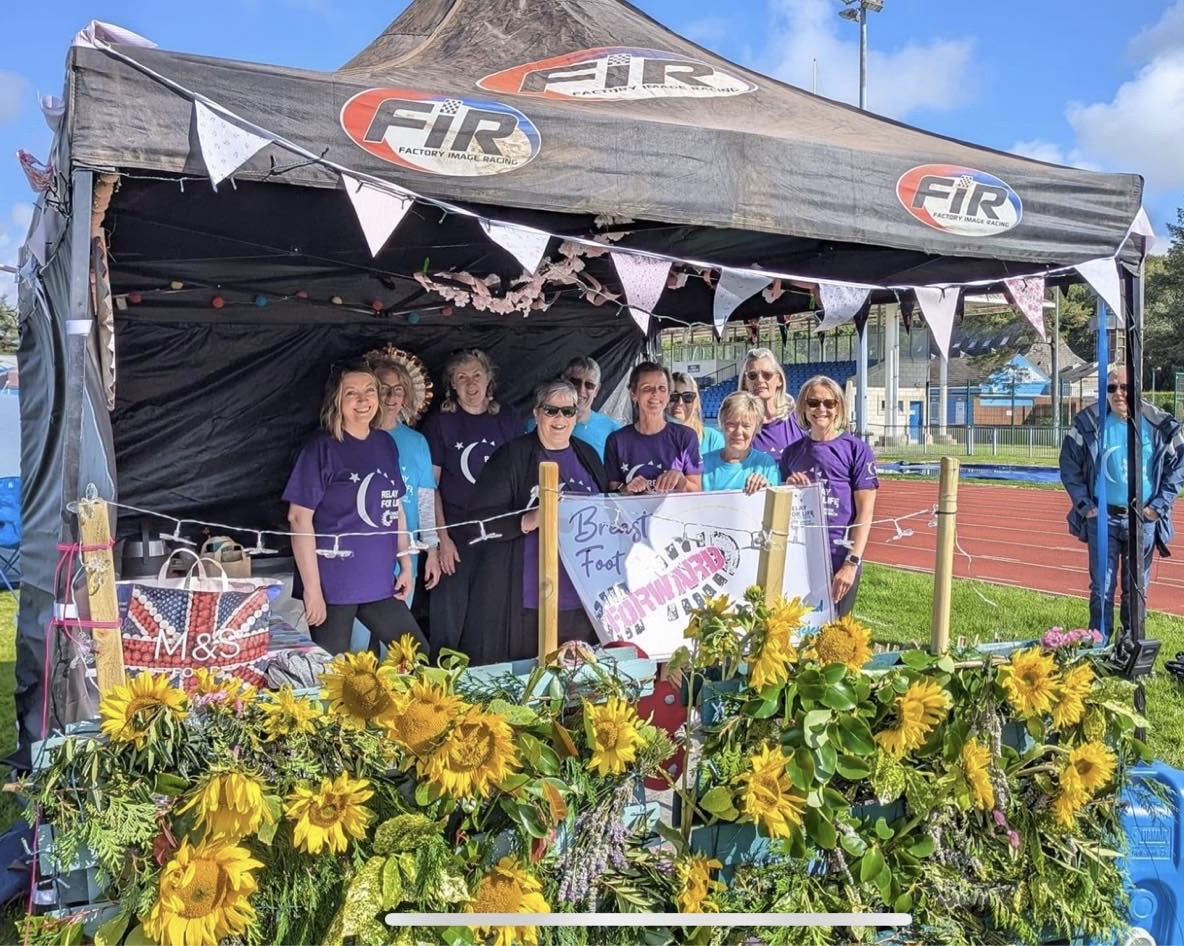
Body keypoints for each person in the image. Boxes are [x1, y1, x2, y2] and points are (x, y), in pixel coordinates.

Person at [284, 364, 426, 655]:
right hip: (334, 586)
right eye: (351, 393)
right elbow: (298, 518)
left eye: (369, 391)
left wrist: (406, 563)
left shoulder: (385, 443)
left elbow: (395, 507)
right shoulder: (321, 449)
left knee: (417, 657)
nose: (363, 400)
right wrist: (313, 590)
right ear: (336, 400)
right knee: (332, 671)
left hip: (379, 581)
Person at [465, 380, 608, 664]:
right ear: (536, 413)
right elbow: (477, 524)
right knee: (531, 681)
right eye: (551, 410)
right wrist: (528, 520)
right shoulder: (511, 456)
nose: (559, 418)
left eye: (567, 411)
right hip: (529, 600)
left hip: (581, 597)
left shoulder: (588, 456)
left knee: (577, 680)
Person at [1059, 366, 1184, 636]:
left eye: (1124, 387)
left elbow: (1179, 466)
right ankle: (1099, 641)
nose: (1118, 393)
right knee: (1101, 588)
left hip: (1142, 520)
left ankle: (1131, 641)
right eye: (1112, 388)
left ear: (1137, 389)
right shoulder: (1089, 423)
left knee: (1136, 588)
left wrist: (1158, 507)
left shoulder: (1158, 424)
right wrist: (1085, 506)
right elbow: (1069, 465)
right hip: (1103, 518)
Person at [420, 349, 524, 655]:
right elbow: (431, 488)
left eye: (477, 375)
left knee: (493, 617)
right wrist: (442, 540)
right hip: (456, 536)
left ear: (489, 378)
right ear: (452, 383)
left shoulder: (508, 419)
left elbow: (521, 478)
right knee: (448, 621)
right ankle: (444, 680)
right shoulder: (440, 423)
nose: (471, 383)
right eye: (462, 377)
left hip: (499, 536)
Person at [780, 375, 878, 617]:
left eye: (829, 403)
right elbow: (782, 508)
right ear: (803, 407)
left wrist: (851, 563)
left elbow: (865, 511)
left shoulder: (857, 450)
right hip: (801, 558)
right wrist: (789, 488)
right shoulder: (791, 453)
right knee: (796, 629)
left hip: (839, 558)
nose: (821, 409)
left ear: (839, 406)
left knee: (835, 632)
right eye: (813, 403)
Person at [605, 362, 702, 494]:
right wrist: (626, 490)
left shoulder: (686, 436)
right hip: (633, 508)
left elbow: (697, 490)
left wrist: (681, 480)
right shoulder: (616, 440)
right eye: (647, 388)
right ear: (633, 394)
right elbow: (612, 488)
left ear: (668, 395)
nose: (655, 393)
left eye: (662, 388)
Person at [525, 355, 621, 459]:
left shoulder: (613, 431)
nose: (581, 390)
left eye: (589, 385)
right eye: (575, 382)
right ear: (563, 381)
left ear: (597, 390)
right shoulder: (536, 424)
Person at [703, 392, 782, 494]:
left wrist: (766, 489)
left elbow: (776, 500)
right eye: (731, 424)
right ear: (721, 424)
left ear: (756, 429)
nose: (738, 432)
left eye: (746, 426)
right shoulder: (701, 463)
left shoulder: (766, 465)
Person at [738, 347, 804, 461]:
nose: (760, 380)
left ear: (779, 380)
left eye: (767, 374)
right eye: (752, 376)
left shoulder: (800, 419)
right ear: (745, 382)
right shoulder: (738, 426)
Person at [670, 372, 725, 457]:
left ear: (696, 402)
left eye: (688, 396)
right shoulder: (655, 440)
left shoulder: (712, 440)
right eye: (673, 396)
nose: (680, 402)